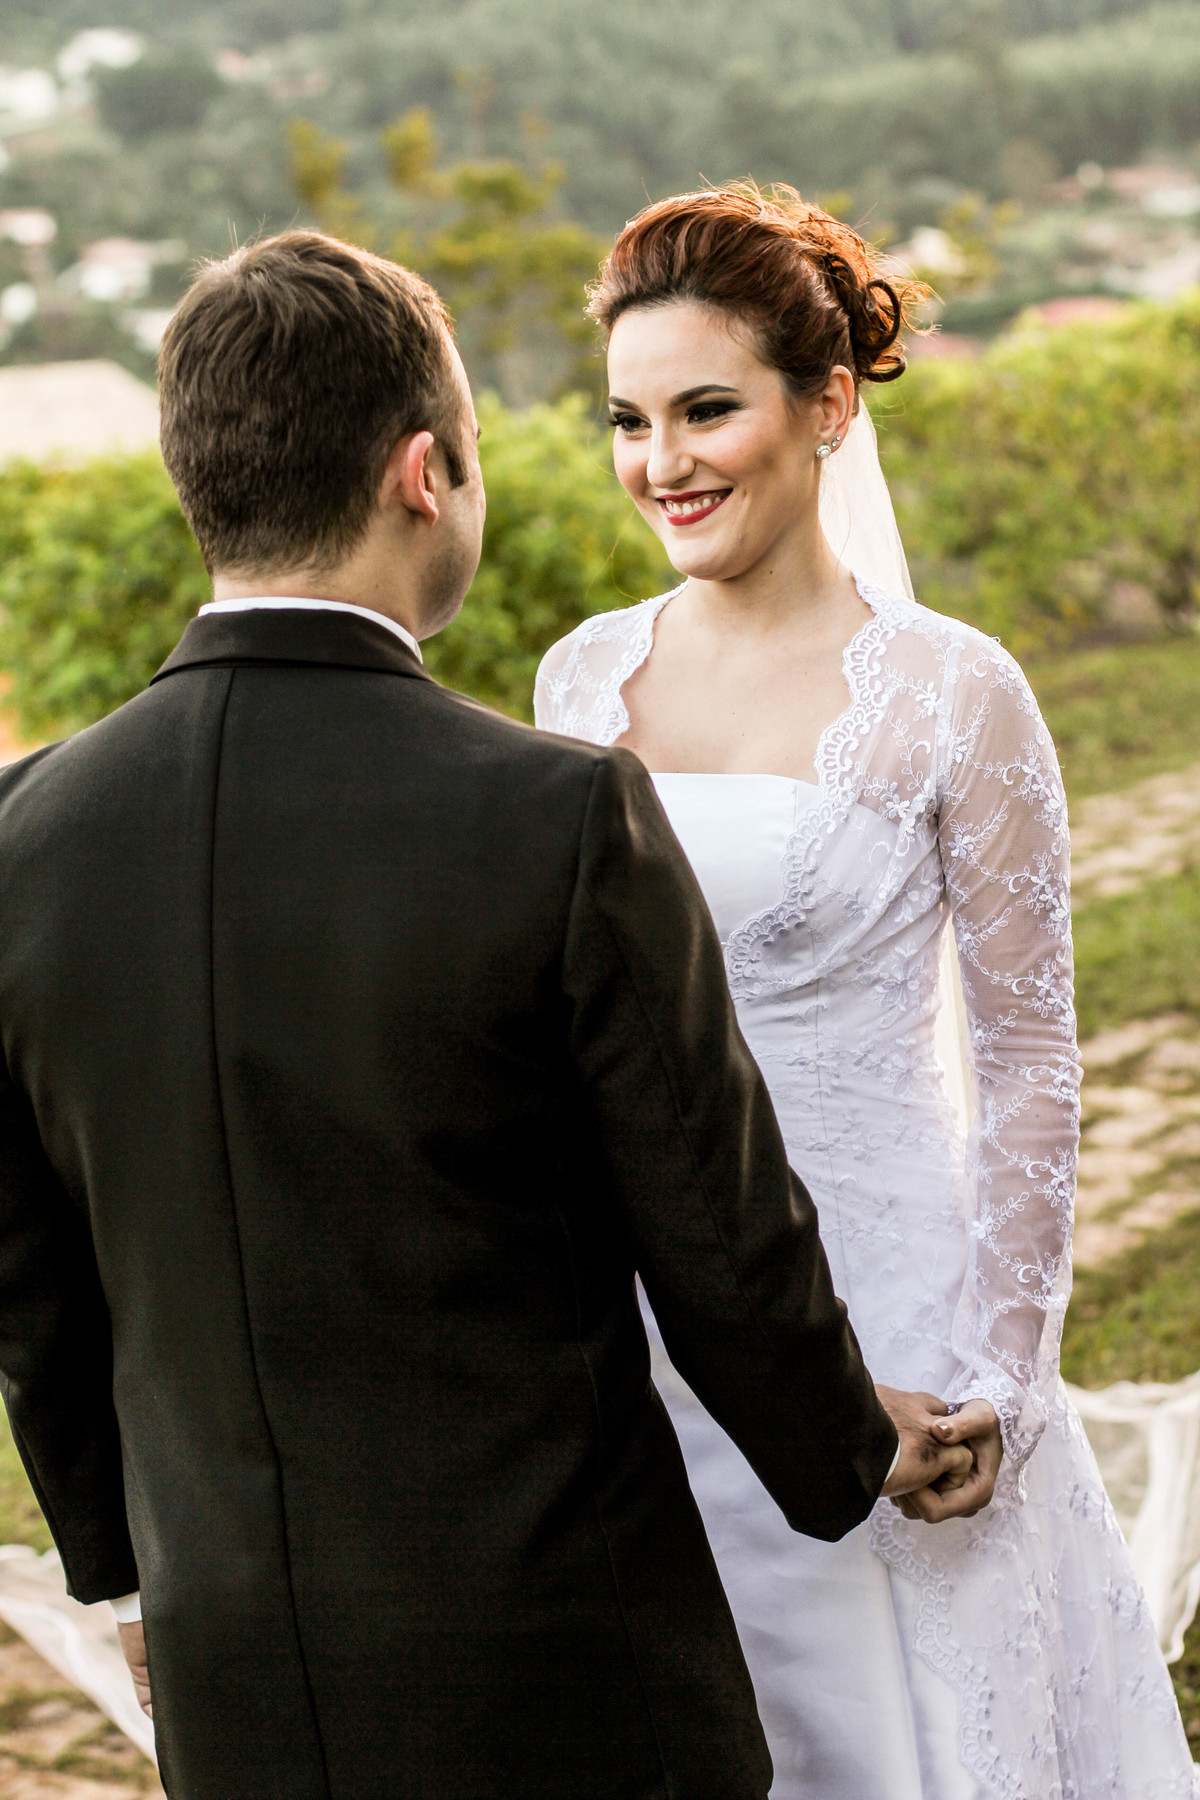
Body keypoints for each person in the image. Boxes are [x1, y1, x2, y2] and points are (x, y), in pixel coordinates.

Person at [0, 231, 974, 1800]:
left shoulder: (22, 837)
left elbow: (33, 1285)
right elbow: (716, 1237)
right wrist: (855, 1452)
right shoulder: (558, 814)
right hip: (565, 1677)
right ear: (421, 472)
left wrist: (125, 1582)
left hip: (238, 1679)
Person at [536, 184, 1199, 1800]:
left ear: (828, 404)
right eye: (629, 420)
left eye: (707, 409)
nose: (662, 462)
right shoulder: (579, 680)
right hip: (649, 1346)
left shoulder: (957, 691)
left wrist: (1005, 1372)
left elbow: (1035, 1059)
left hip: (894, 1328)